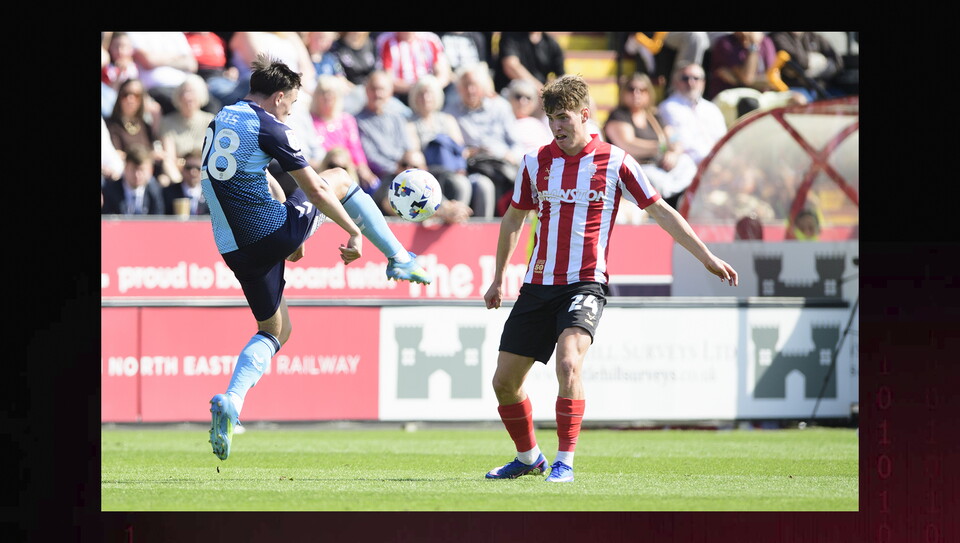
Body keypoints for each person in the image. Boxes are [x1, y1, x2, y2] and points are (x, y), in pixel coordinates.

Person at [482, 74, 738, 483]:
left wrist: (705, 256)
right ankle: (530, 458)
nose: (557, 126)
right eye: (551, 119)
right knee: (505, 382)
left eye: (564, 117)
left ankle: (565, 461)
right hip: (537, 286)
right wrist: (498, 277)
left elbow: (660, 211)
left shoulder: (616, 161)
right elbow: (514, 217)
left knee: (569, 362)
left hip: (585, 283)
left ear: (585, 115)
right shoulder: (534, 162)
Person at [204, 55, 432, 461]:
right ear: (277, 98)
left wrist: (290, 227)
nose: (291, 110)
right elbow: (320, 191)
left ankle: (232, 401)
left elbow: (260, 175)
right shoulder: (271, 125)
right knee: (341, 175)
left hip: (234, 249)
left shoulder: (222, 118)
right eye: (291, 104)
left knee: (276, 330)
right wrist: (353, 230)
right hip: (267, 233)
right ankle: (398, 256)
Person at [603, 72, 698, 210]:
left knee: (687, 163)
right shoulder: (618, 115)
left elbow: (674, 138)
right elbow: (628, 145)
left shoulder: (654, 116)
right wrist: (662, 148)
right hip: (637, 169)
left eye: (642, 90)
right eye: (631, 89)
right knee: (655, 179)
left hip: (662, 166)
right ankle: (671, 201)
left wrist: (674, 154)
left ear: (649, 93)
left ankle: (676, 199)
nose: (637, 93)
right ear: (624, 92)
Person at [407, 74, 494, 219]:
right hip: (431, 174)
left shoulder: (448, 120)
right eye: (421, 94)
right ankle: (455, 225)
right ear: (415, 97)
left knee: (484, 185)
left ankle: (483, 228)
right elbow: (416, 156)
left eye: (429, 93)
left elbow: (460, 150)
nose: (426, 98)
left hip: (455, 169)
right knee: (460, 184)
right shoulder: (410, 124)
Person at [448, 62, 525, 215]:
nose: (470, 91)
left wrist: (511, 155)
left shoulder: (501, 107)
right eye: (466, 85)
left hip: (502, 164)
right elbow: (452, 146)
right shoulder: (451, 111)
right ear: (458, 89)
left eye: (474, 85)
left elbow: (516, 144)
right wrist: (467, 152)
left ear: (483, 86)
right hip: (474, 167)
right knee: (483, 185)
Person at [356, 70, 420, 208]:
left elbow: (407, 148)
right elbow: (371, 156)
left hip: (404, 171)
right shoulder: (358, 121)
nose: (378, 94)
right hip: (382, 177)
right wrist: (398, 169)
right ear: (366, 90)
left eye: (382, 89)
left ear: (390, 92)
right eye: (374, 89)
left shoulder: (397, 118)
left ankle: (445, 208)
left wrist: (405, 167)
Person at [309, 74, 379, 190]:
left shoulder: (346, 120)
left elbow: (355, 147)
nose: (327, 97)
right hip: (321, 170)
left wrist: (363, 168)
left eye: (331, 93)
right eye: (323, 92)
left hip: (347, 169)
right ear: (316, 95)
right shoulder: (309, 120)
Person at [105, 78, 177, 187]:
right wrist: (148, 156)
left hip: (148, 174)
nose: (130, 99)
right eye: (126, 94)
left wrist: (156, 117)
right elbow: (116, 154)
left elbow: (155, 144)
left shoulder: (144, 125)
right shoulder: (111, 125)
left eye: (136, 95)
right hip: (126, 176)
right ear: (119, 96)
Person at [657, 62, 728, 168]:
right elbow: (671, 137)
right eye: (685, 78)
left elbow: (723, 139)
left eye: (696, 78)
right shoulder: (668, 107)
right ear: (675, 82)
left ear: (703, 82)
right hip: (687, 165)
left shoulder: (712, 108)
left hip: (719, 164)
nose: (691, 82)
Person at [158, 74, 216, 184]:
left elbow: (213, 156)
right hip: (178, 176)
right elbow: (168, 159)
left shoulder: (210, 121)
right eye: (184, 92)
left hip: (203, 176)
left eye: (192, 92)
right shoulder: (168, 122)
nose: (188, 97)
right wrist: (179, 183)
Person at [126, 32, 201, 116]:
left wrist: (159, 60)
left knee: (210, 104)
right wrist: (177, 57)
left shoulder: (176, 34)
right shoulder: (135, 34)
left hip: (184, 86)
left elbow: (192, 64)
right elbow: (149, 61)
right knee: (177, 102)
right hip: (156, 89)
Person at [374, 31, 452, 107]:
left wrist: (429, 87)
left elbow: (443, 74)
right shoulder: (385, 41)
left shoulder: (431, 39)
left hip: (430, 93)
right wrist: (415, 88)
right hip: (400, 95)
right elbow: (386, 78)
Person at [768, 31, 846, 102]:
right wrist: (819, 61)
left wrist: (813, 71)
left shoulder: (814, 37)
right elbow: (800, 62)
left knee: (843, 100)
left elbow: (838, 62)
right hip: (794, 88)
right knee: (800, 100)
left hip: (822, 86)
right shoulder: (778, 36)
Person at [493, 32, 565, 96]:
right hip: (513, 93)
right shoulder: (511, 35)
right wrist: (540, 89)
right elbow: (510, 66)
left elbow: (561, 76)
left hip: (539, 97)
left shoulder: (551, 43)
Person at [101, 145, 165, 216]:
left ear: (151, 171)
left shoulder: (155, 191)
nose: (137, 175)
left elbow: (158, 219)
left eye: (142, 170)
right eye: (133, 170)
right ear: (125, 168)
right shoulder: (110, 190)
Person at [506, 78, 553, 153]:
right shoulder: (503, 122)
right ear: (509, 97)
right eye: (518, 96)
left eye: (528, 97)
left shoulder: (539, 125)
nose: (523, 101)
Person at [162, 150, 209, 216]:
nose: (193, 172)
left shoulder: (211, 195)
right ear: (182, 169)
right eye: (188, 168)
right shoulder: (168, 192)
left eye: (198, 168)